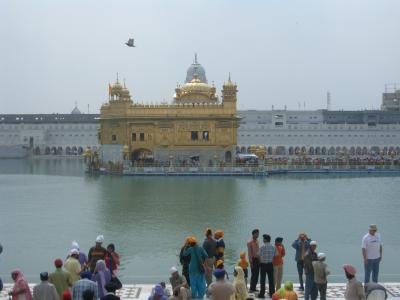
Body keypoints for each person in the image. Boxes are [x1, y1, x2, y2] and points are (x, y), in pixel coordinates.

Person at [258, 234, 276, 299]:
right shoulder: (273, 247)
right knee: (271, 280)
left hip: (263, 265)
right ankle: (272, 293)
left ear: (265, 239)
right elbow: (275, 255)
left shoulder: (261, 247)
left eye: (263, 238)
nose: (263, 240)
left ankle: (262, 294)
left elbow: (258, 255)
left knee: (262, 280)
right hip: (270, 264)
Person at [247, 229, 260, 293]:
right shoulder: (250, 242)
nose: (258, 235)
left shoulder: (257, 241)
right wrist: (250, 262)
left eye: (258, 233)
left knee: (257, 274)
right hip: (253, 260)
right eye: (257, 233)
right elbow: (249, 253)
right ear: (253, 234)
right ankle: (252, 288)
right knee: (253, 274)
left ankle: (254, 287)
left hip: (258, 259)